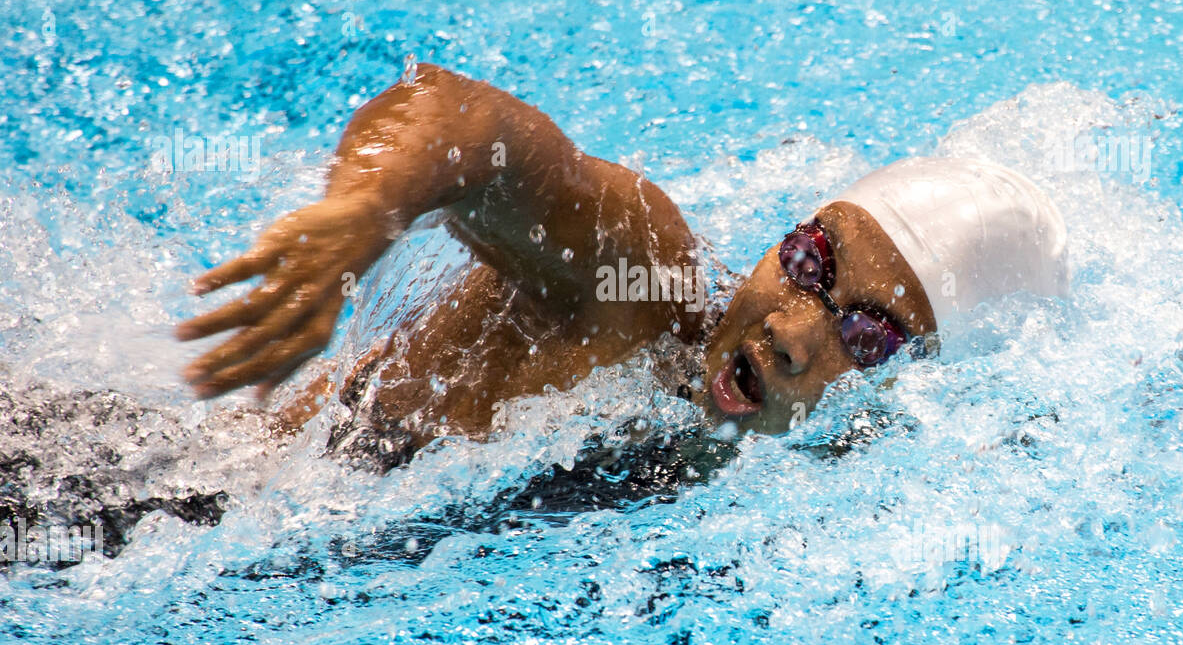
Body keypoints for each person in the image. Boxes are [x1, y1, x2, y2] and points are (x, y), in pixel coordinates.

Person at [176, 63, 1068, 464]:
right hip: (158, 501)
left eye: (870, 337)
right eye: (809, 260)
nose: (793, 334)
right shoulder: (641, 281)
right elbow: (463, 121)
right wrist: (364, 211)